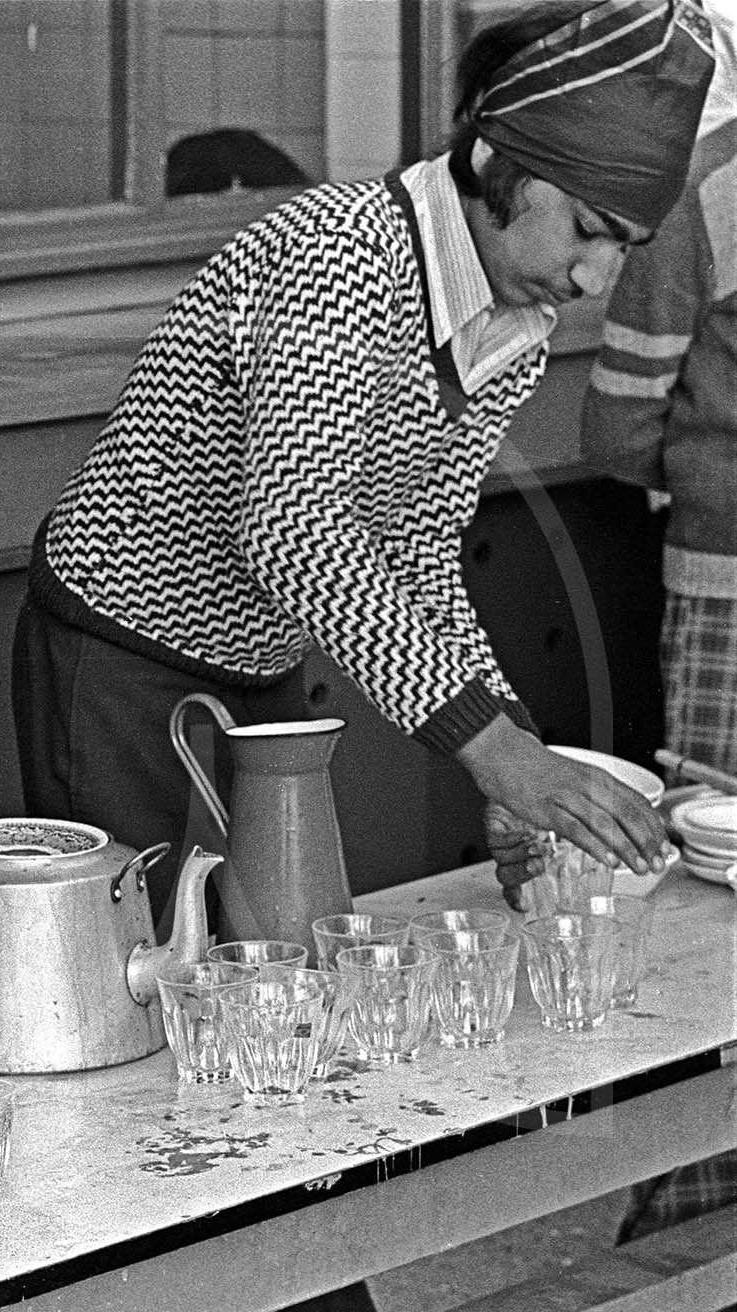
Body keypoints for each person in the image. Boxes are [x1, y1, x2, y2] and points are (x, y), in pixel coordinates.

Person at [14, 0, 710, 951]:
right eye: (587, 228)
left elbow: (417, 549)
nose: (594, 279)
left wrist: (513, 758)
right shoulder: (341, 253)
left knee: (269, 973)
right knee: (127, 986)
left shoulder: (513, 325)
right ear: (497, 160)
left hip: (258, 664)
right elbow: (292, 528)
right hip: (118, 658)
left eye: (622, 247)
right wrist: (496, 751)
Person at [580, 22, 737, 1249]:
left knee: (705, 897)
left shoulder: (704, 195)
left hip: (724, 577)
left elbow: (618, 424)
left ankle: (693, 1194)